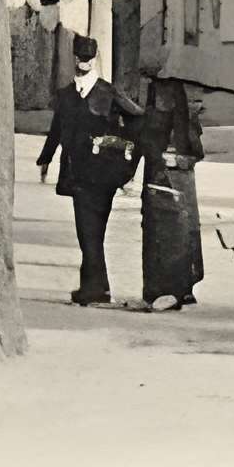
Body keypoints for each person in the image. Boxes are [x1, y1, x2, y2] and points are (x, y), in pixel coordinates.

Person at [37, 37, 138, 303]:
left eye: (89, 58)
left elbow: (138, 121)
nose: (84, 62)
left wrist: (128, 162)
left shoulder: (109, 92)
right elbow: (57, 129)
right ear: (74, 58)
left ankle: (95, 288)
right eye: (81, 58)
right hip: (76, 173)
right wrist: (45, 158)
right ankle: (95, 287)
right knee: (88, 231)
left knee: (92, 231)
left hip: (102, 173)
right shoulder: (66, 95)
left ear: (94, 59)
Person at [131, 63, 205, 311]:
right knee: (160, 232)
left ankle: (173, 289)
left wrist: (176, 159)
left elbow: (194, 151)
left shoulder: (179, 115)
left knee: (173, 233)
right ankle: (163, 289)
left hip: (172, 180)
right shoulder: (164, 110)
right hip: (160, 177)